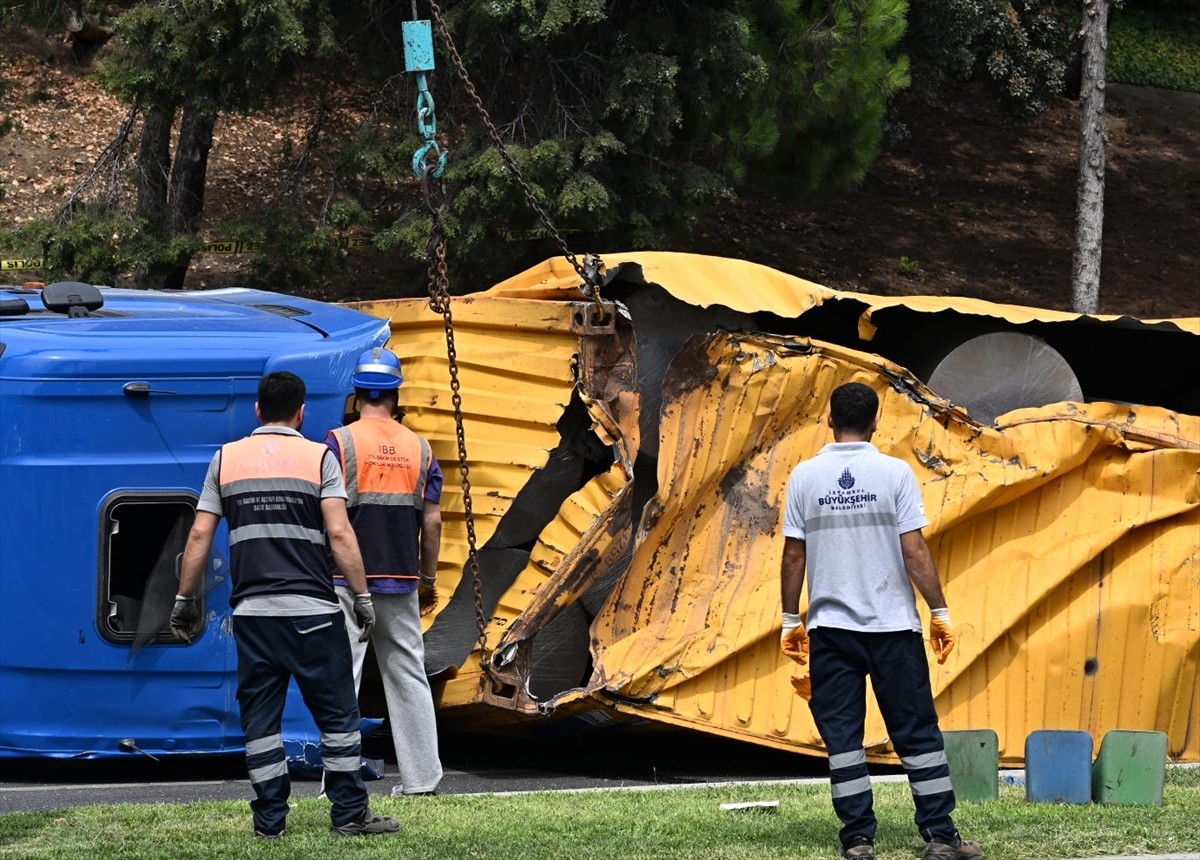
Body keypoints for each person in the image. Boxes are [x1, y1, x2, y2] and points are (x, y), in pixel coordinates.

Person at [170, 371, 400, 839]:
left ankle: (270, 823)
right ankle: (350, 814)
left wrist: (183, 600)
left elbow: (198, 533)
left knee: (261, 723)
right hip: (314, 612)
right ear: (301, 413)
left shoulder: (225, 459)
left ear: (258, 409)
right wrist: (360, 597)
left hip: (254, 616)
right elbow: (339, 533)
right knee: (337, 718)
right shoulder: (319, 459)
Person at [779, 381, 982, 860]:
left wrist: (791, 620)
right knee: (916, 733)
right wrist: (939, 609)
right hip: (893, 629)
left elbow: (793, 556)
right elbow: (914, 550)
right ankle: (939, 836)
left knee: (843, 739)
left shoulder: (805, 478)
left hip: (831, 631)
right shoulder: (895, 474)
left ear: (829, 419)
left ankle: (858, 841)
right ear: (875, 422)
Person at [325, 347, 444, 795]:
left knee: (342, 678)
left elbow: (330, 515)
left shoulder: (338, 442)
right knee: (408, 674)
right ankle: (422, 779)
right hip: (401, 579)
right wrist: (428, 578)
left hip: (345, 579)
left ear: (357, 394)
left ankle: (336, 780)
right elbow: (432, 522)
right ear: (395, 395)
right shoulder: (422, 448)